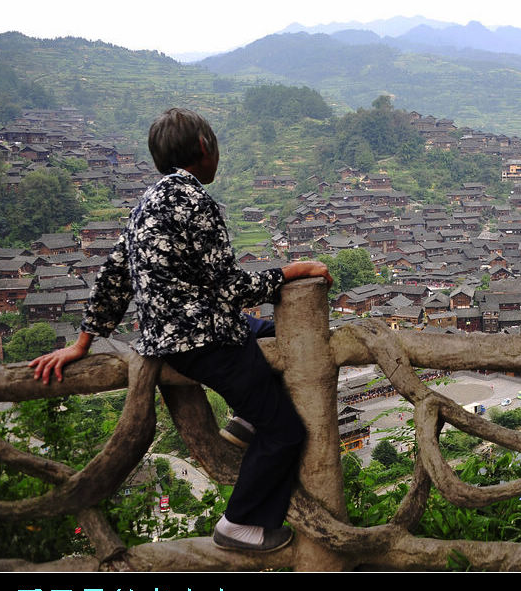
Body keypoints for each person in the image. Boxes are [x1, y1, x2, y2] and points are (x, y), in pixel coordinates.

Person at [29, 108, 333, 553]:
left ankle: (246, 417)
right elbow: (230, 287)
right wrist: (293, 271)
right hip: (205, 340)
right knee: (286, 431)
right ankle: (239, 523)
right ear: (206, 148)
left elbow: (114, 278)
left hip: (170, 339)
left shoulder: (144, 207)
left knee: (272, 333)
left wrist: (81, 343)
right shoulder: (196, 203)